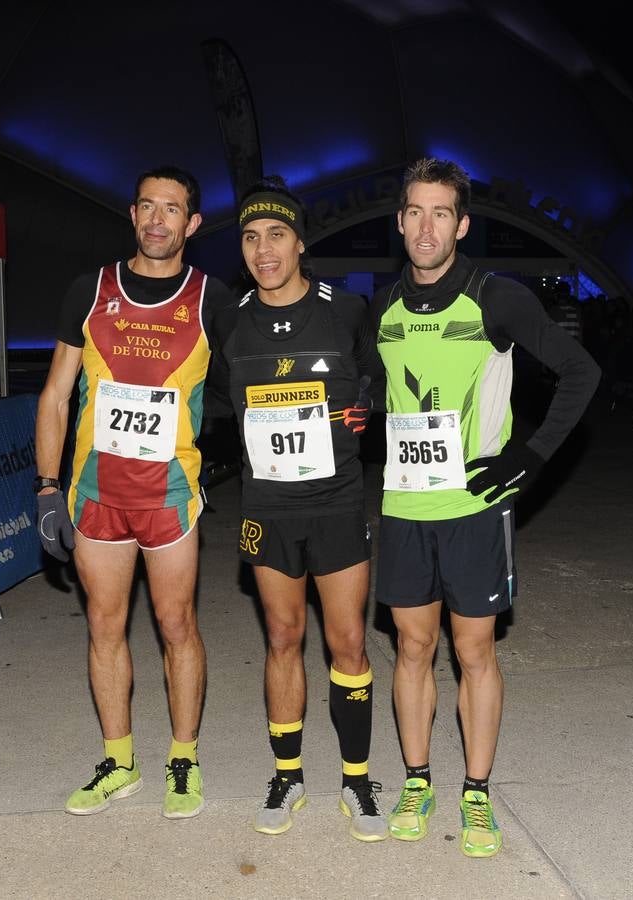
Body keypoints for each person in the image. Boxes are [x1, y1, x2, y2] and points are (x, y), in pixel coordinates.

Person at [373, 158, 599, 858]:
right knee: (412, 648)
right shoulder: (382, 307)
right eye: (416, 212)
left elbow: (582, 372)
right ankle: (417, 781)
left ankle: (476, 790)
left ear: (462, 225)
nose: (427, 227)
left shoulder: (495, 297)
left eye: (441, 213)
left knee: (473, 651)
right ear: (400, 220)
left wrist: (530, 457)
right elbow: (374, 393)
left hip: (474, 508)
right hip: (404, 508)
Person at [34, 165, 235, 820]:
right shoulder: (90, 290)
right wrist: (46, 488)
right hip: (96, 494)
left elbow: (254, 380)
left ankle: (184, 757)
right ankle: (119, 762)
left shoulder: (211, 298)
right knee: (104, 623)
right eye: (147, 206)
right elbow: (55, 396)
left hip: (170, 496)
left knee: (177, 625)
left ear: (192, 223)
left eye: (171, 209)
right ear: (132, 214)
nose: (157, 219)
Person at [208, 177, 386, 841]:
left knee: (348, 642)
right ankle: (287, 777)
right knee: (282, 638)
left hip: (337, 501)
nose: (264, 250)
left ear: (300, 243)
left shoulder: (347, 311)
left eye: (276, 235)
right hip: (267, 505)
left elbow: (378, 381)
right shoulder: (230, 320)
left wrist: (367, 409)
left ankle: (357, 780)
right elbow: (212, 402)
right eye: (251, 238)